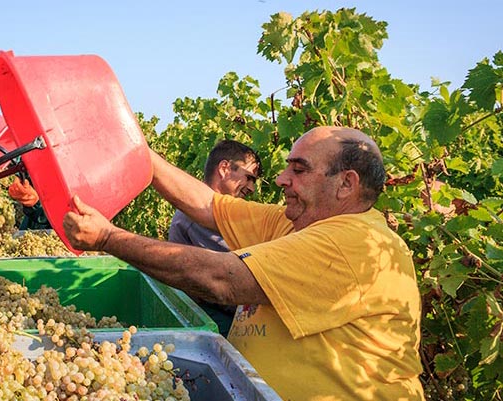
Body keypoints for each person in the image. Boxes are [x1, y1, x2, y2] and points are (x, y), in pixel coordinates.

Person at [63, 126, 423, 400]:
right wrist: (137, 151)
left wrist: (108, 238)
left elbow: (222, 279)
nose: (282, 179)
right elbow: (210, 205)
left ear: (346, 184)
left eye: (299, 170)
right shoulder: (297, 221)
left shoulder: (352, 242)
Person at [166, 140, 260, 336]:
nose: (252, 188)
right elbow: (233, 278)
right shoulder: (200, 217)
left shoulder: (219, 214)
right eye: (248, 177)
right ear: (224, 168)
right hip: (217, 322)